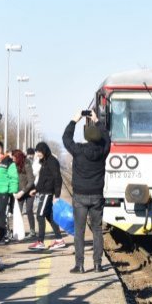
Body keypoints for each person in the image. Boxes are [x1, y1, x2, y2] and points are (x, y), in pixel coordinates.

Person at [62, 110, 111, 273]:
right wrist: (97, 120)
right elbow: (107, 139)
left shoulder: (78, 150)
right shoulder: (103, 151)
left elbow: (66, 139)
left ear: (87, 137)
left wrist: (73, 120)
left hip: (80, 196)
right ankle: (98, 264)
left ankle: (80, 265)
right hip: (97, 196)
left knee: (80, 231)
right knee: (97, 230)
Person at [27, 141, 66, 251]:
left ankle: (40, 241)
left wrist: (57, 195)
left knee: (40, 215)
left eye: (40, 151)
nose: (38, 154)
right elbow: (43, 179)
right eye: (37, 152)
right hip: (43, 191)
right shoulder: (44, 162)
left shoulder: (52, 161)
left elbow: (58, 178)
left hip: (47, 192)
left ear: (45, 151)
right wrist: (36, 189)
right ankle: (59, 240)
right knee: (50, 216)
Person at [12, 149, 36, 238]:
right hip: (18, 192)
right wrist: (14, 191)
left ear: (18, 157)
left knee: (29, 210)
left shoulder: (27, 164)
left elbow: (31, 180)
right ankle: (18, 231)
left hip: (29, 191)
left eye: (14, 157)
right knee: (18, 211)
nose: (13, 159)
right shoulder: (13, 164)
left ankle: (32, 231)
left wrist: (23, 191)